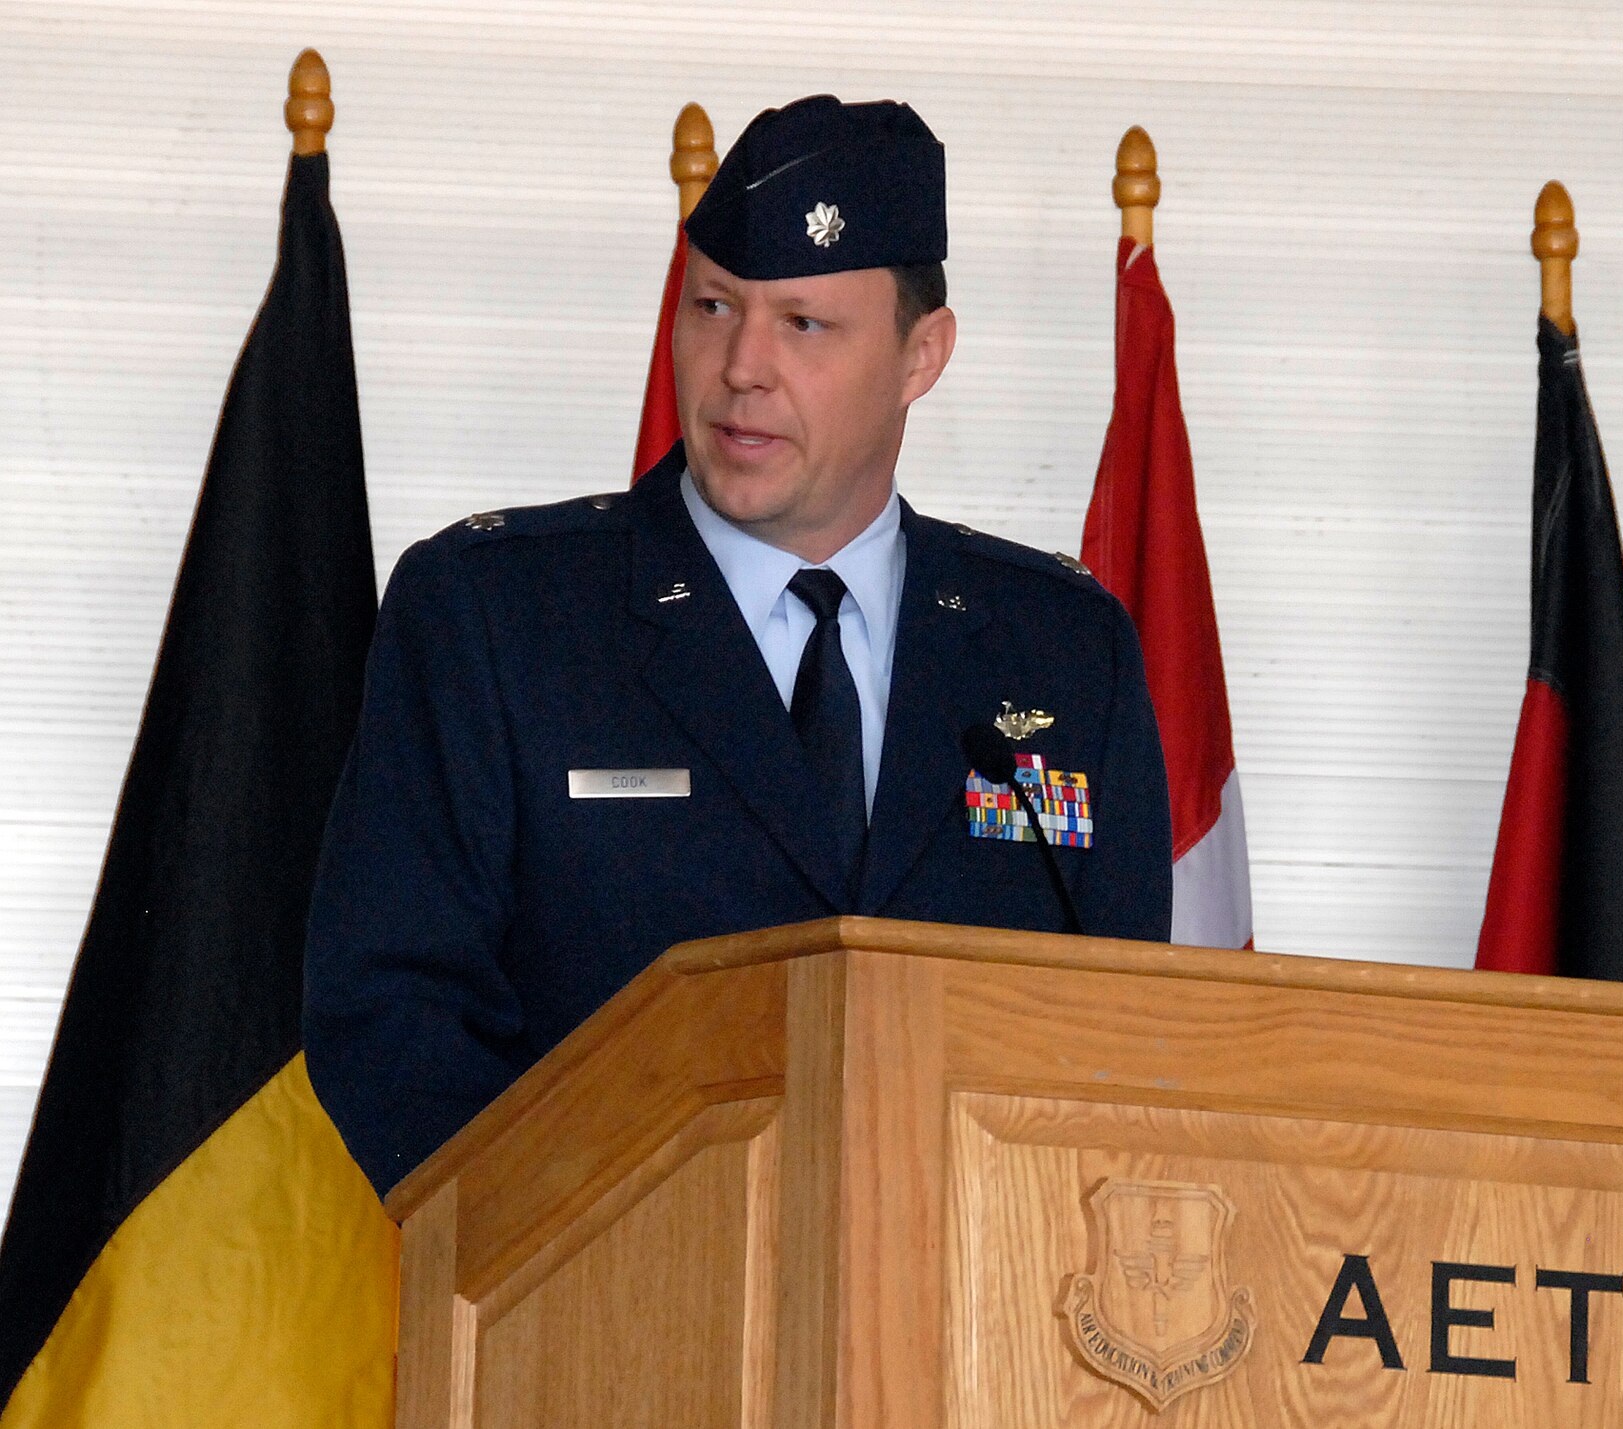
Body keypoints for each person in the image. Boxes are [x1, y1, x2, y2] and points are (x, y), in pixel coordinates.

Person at [302, 95, 1173, 1196]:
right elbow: (390, 1020)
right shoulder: (495, 617)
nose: (740, 367)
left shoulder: (1060, 650)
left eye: (803, 325)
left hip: (970, 1326)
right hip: (608, 1317)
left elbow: (1125, 1034)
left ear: (921, 356)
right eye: (713, 306)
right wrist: (605, 1241)